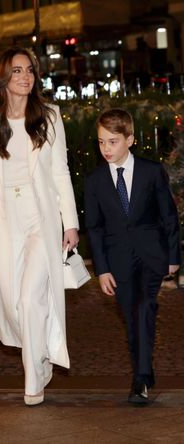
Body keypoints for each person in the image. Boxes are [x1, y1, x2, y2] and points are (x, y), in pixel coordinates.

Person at [0, 47, 79, 405]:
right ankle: (38, 355)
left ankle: (34, 379)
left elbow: (60, 172)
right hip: (4, 219)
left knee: (30, 297)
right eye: (17, 71)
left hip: (39, 217)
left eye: (30, 70)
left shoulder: (50, 117)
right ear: (2, 78)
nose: (26, 76)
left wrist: (70, 223)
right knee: (13, 301)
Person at [84, 108, 181, 404]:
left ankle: (139, 380)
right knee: (132, 318)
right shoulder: (95, 180)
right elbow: (95, 228)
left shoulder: (152, 172)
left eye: (113, 142)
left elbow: (169, 216)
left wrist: (174, 256)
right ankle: (144, 368)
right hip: (118, 261)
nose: (106, 149)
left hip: (151, 255)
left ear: (130, 140)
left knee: (145, 309)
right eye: (101, 142)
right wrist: (101, 269)